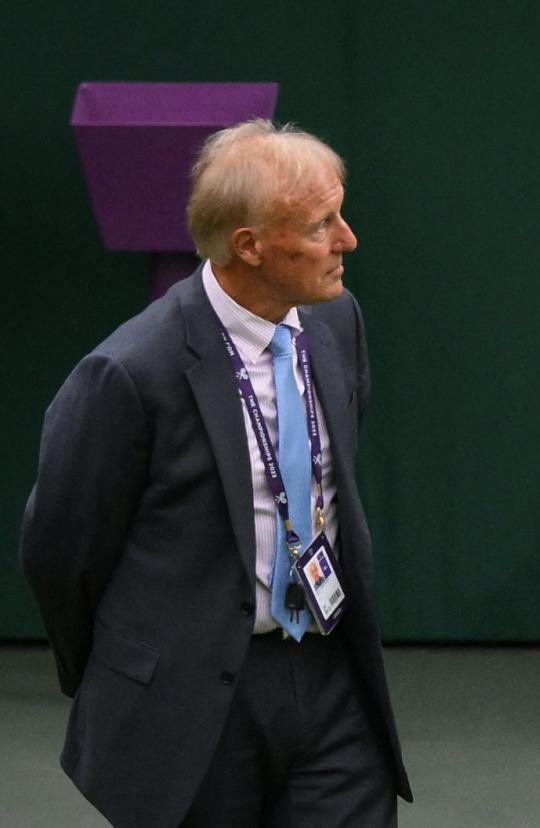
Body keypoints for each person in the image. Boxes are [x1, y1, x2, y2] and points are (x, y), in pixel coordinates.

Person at [21, 119, 411, 826]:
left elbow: (333, 477)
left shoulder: (337, 322)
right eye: (323, 224)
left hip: (331, 675)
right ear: (250, 245)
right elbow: (61, 551)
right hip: (195, 701)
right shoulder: (131, 373)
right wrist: (126, 673)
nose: (348, 239)